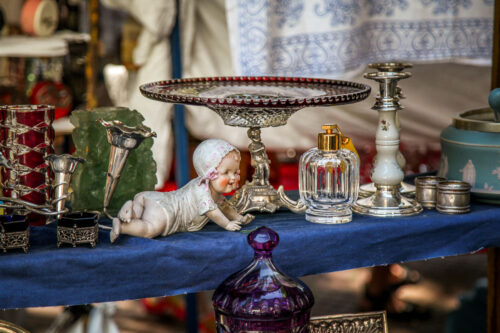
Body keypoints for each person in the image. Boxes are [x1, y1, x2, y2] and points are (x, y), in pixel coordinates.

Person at [110, 139, 254, 242]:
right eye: (226, 172)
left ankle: (131, 208)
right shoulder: (202, 191)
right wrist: (227, 224)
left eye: (235, 173)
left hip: (153, 199)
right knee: (150, 229)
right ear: (208, 173)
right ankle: (122, 226)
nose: (233, 178)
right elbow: (213, 212)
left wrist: (239, 218)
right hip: (167, 210)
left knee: (139, 216)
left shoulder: (211, 191)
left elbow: (224, 206)